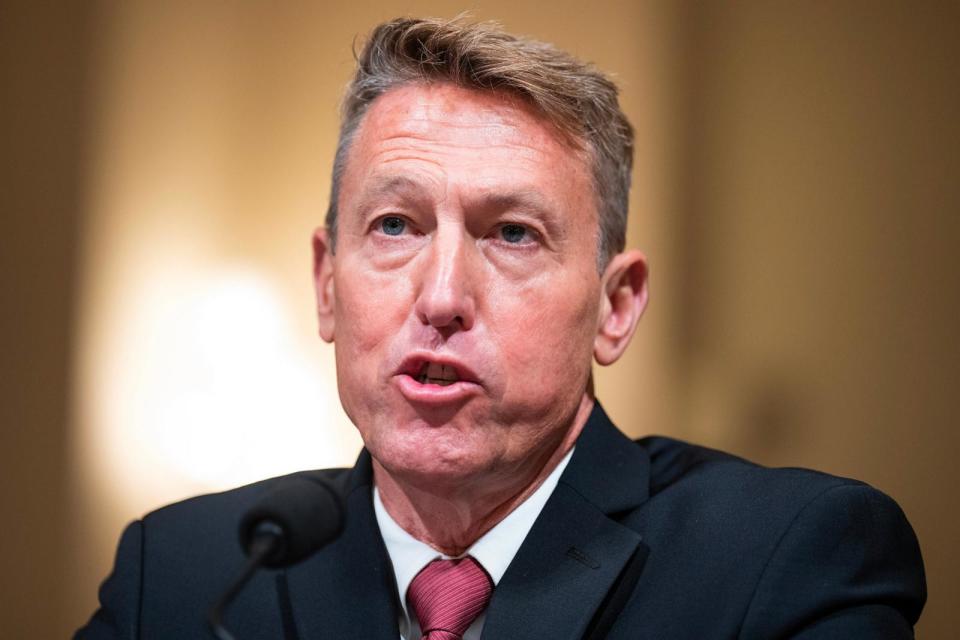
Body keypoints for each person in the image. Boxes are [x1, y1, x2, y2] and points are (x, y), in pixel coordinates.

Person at [76, 17, 925, 639]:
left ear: (617, 306)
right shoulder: (189, 576)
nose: (441, 295)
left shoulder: (790, 561)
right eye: (396, 226)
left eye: (513, 233)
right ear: (326, 285)